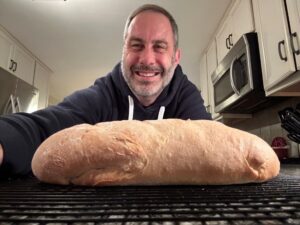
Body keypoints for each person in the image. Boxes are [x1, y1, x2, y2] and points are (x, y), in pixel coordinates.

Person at [0, 4, 211, 178]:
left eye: (159, 47)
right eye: (136, 45)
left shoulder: (186, 96)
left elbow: (210, 146)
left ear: (176, 57)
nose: (146, 59)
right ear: (124, 52)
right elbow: (44, 128)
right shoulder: (104, 94)